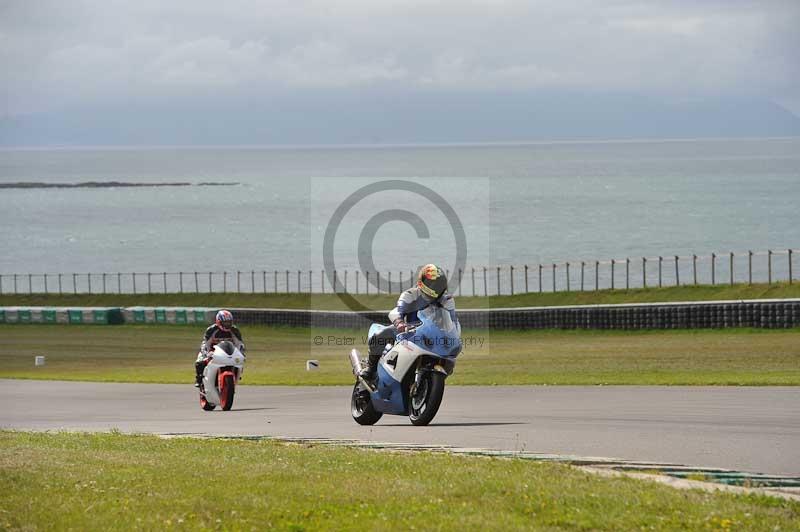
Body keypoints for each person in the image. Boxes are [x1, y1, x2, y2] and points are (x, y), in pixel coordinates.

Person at [360, 264, 458, 381]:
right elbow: (397, 311)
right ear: (422, 283)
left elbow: (453, 321)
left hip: (431, 336)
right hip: (408, 333)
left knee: (449, 356)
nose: (432, 291)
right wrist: (400, 323)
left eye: (437, 286)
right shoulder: (410, 294)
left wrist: (455, 335)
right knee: (381, 336)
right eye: (431, 286)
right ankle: (370, 369)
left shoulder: (447, 300)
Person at [194, 309, 246, 387]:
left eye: (229, 322)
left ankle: (236, 375)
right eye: (225, 322)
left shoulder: (234, 330)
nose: (227, 324)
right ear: (219, 322)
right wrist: (206, 354)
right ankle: (199, 379)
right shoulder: (211, 330)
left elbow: (239, 344)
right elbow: (205, 343)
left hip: (229, 352)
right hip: (212, 352)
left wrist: (241, 353)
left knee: (240, 361)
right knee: (199, 362)